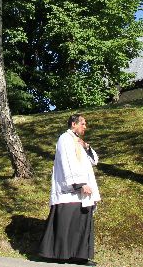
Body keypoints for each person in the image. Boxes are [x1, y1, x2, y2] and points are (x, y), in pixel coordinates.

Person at [38, 114, 100, 266]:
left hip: (81, 191)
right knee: (67, 223)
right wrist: (79, 184)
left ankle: (80, 256)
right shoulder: (65, 139)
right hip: (71, 190)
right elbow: (68, 162)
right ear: (74, 124)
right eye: (83, 124)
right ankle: (61, 254)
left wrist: (86, 146)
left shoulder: (77, 141)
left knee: (82, 223)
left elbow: (94, 161)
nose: (85, 127)